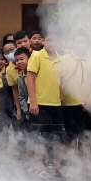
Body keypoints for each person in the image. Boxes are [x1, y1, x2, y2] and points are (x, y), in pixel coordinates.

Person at [26, 32, 65, 170]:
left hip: (56, 104)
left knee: (59, 137)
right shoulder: (36, 56)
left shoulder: (61, 59)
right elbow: (29, 79)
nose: (52, 42)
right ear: (43, 42)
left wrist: (60, 98)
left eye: (56, 40)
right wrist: (33, 102)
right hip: (40, 104)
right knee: (39, 137)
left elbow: (62, 82)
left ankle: (57, 167)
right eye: (49, 40)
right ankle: (39, 167)